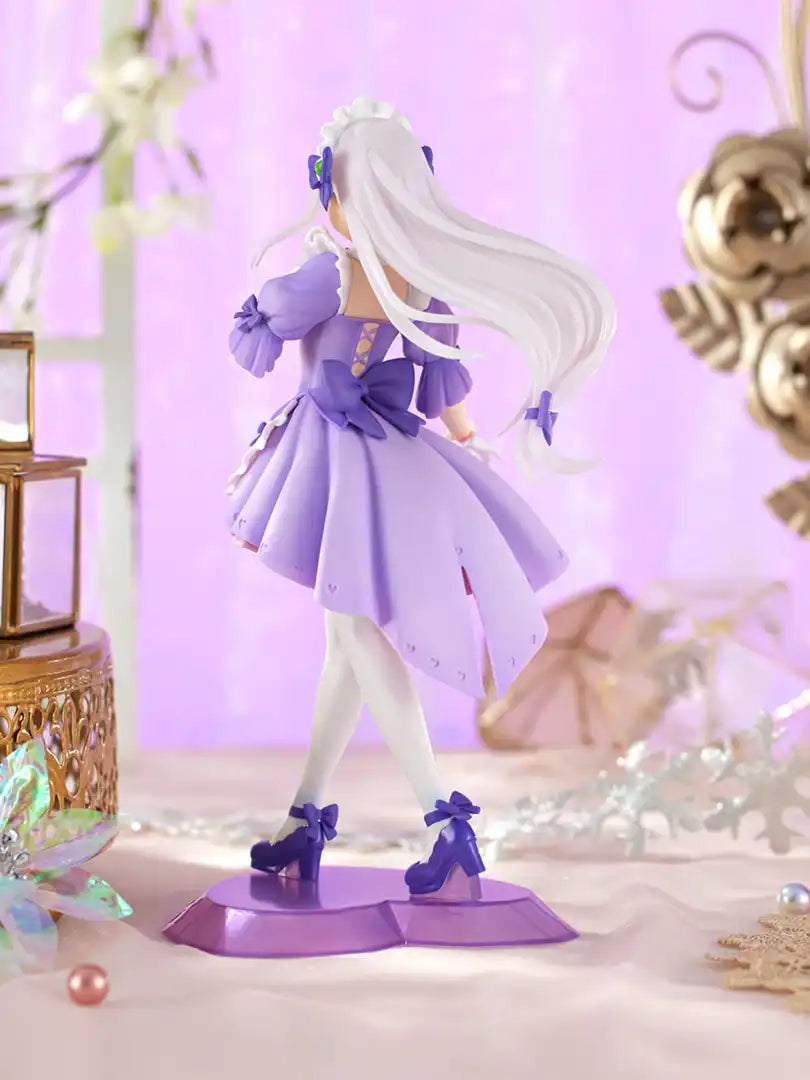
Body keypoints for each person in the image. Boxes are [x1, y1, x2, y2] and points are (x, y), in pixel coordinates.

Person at [226, 98, 616, 896]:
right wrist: (469, 439)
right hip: (390, 459)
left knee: (360, 638)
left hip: (334, 465)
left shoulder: (329, 275)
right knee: (344, 645)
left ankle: (445, 819)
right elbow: (443, 380)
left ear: (341, 193)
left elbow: (257, 337)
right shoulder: (416, 283)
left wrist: (278, 290)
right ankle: (304, 820)